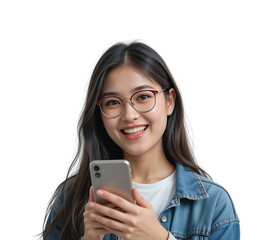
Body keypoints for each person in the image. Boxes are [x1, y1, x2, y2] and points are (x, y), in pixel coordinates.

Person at [42, 41, 240, 240]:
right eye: (112, 102)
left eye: (143, 97)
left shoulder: (214, 204)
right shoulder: (70, 198)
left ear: (170, 102)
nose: (129, 115)